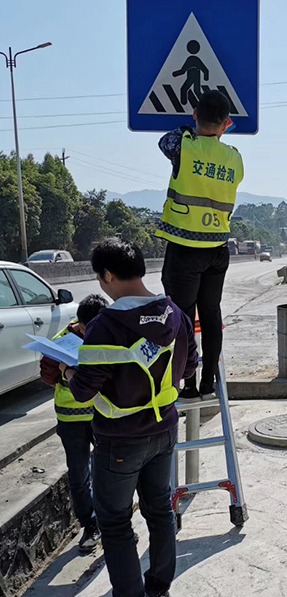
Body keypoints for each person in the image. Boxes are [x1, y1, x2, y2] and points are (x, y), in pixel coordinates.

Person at [60, 238, 199, 597]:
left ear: (107, 275)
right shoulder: (176, 313)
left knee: (116, 523)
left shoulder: (105, 326)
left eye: (100, 278)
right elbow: (190, 369)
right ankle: (159, 587)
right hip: (165, 430)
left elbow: (84, 391)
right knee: (160, 511)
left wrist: (67, 372)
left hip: (119, 440)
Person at [157, 89, 243, 402]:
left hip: (184, 248)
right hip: (218, 249)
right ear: (228, 123)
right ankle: (210, 380)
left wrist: (188, 129)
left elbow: (164, 141)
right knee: (210, 314)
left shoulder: (182, 145)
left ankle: (189, 384)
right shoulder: (234, 157)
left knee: (181, 317)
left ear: (195, 116)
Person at [40, 293, 108, 553]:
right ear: (79, 323)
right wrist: (62, 371)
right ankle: (90, 526)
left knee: (110, 474)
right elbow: (46, 377)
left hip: (102, 416)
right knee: (79, 477)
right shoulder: (60, 342)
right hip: (71, 421)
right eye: (87, 327)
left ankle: (115, 525)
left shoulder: (106, 336)